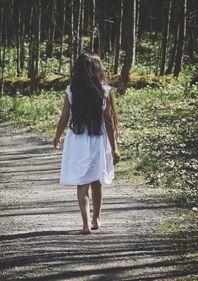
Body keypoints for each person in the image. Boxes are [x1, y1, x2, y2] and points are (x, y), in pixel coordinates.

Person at [53, 53, 120, 234]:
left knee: (82, 183)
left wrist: (57, 136)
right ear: (98, 69)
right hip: (98, 140)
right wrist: (114, 148)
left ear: (78, 70)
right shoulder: (104, 91)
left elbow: (64, 117)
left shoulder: (72, 90)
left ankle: (85, 224)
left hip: (78, 141)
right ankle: (97, 218)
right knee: (97, 181)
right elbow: (109, 122)